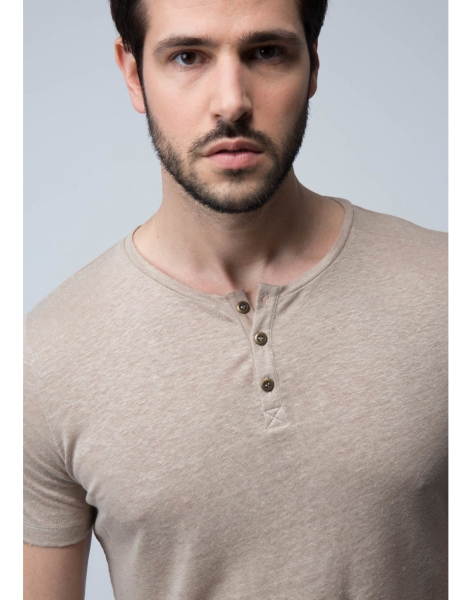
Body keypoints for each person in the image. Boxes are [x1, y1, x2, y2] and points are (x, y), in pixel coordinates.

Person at [23, 0, 447, 598]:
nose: (231, 102)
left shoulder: (449, 289)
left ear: (313, 65)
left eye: (266, 52)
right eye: (187, 57)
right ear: (133, 73)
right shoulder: (43, 362)